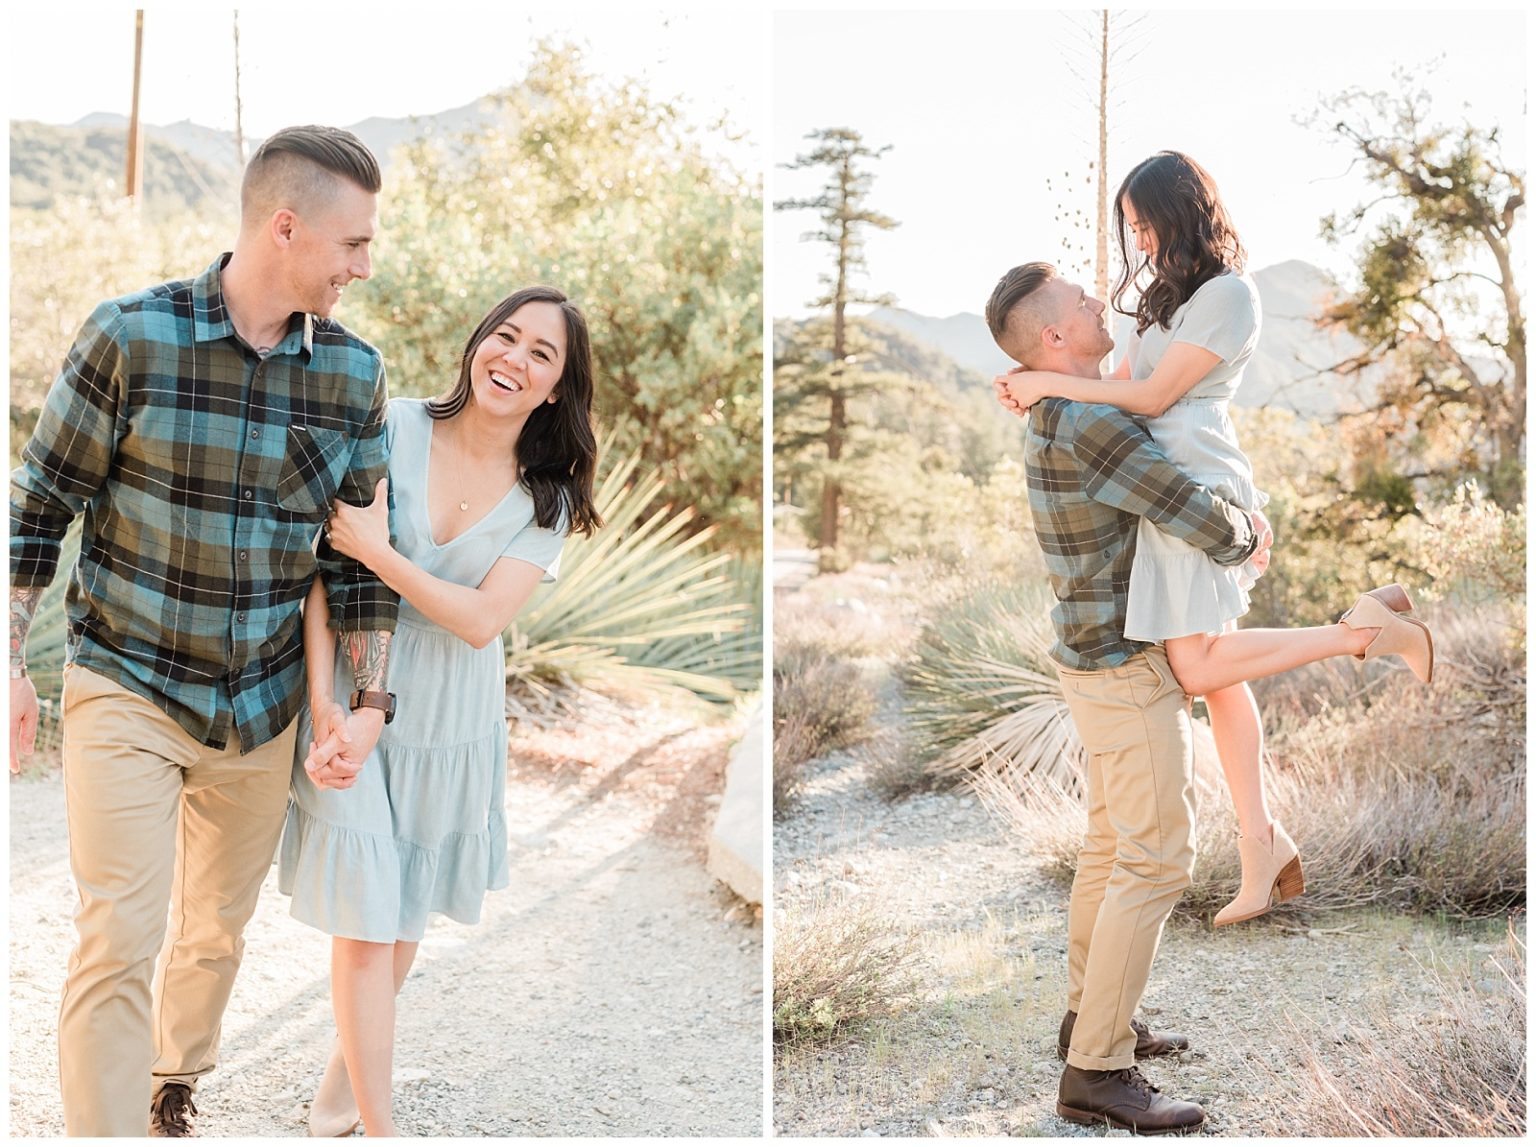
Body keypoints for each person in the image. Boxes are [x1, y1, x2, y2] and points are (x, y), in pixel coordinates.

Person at [8, 125, 397, 1137]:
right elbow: (38, 504)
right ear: (286, 228)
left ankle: (169, 1074)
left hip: (260, 707)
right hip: (126, 679)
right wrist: (7, 656)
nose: (365, 262)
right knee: (117, 934)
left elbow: (354, 560)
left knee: (215, 933)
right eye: (354, 242)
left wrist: (367, 703)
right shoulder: (130, 335)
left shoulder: (354, 375)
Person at [983, 260, 1432, 1134]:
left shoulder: (1058, 406)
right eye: (1080, 299)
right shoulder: (1088, 422)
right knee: (1156, 856)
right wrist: (1249, 536)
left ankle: (1092, 1021)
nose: (1095, 300)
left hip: (1090, 659)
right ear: (1054, 336)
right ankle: (1096, 1072)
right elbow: (1186, 507)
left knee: (1114, 847)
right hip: (1122, 665)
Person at [993, 152, 1433, 928]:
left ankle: (1366, 631)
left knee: (1196, 668)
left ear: (1182, 210)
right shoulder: (1163, 298)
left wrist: (1045, 382)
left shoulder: (1231, 295)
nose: (1137, 238)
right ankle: (1262, 844)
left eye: (1144, 221)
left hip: (1192, 481)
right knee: (1221, 680)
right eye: (1128, 226)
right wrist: (1042, 375)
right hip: (1165, 477)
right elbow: (1119, 383)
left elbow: (1155, 395)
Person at [278, 286, 602, 1138]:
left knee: (404, 901)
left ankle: (342, 1086)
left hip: (452, 713)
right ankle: (382, 1127)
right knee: (364, 914)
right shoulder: (393, 425)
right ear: (475, 344)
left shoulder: (547, 498)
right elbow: (325, 573)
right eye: (506, 336)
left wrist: (379, 550)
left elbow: (478, 620)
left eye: (542, 354)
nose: (515, 359)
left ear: (558, 388)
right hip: (353, 683)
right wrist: (323, 705)